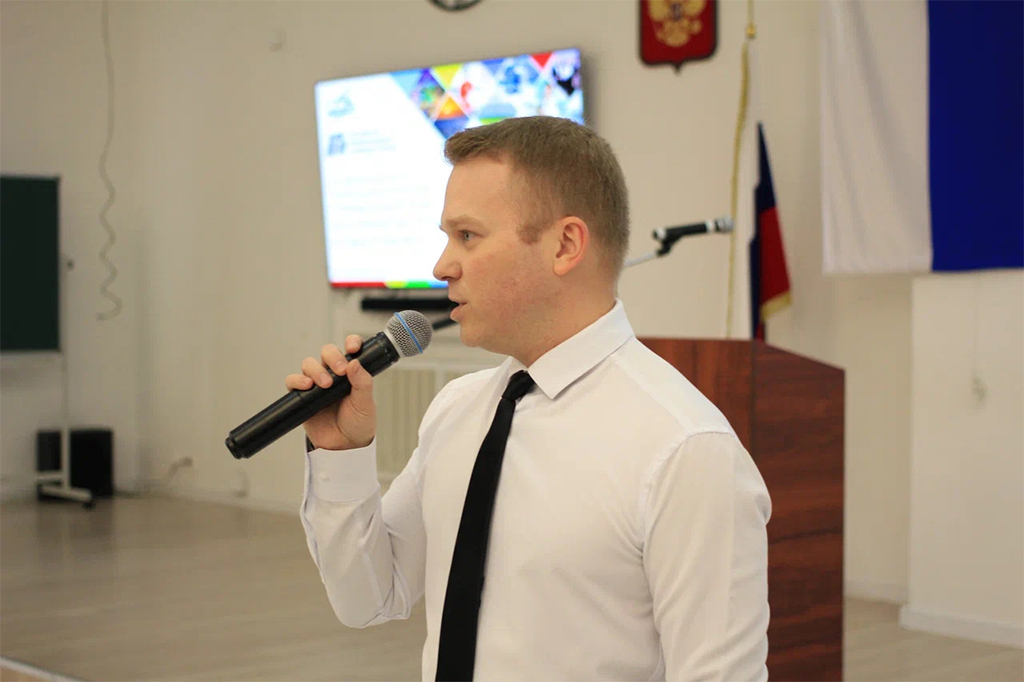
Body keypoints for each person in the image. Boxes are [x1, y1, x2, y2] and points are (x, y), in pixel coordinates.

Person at [290, 116, 772, 681]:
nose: (441, 266)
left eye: (467, 236)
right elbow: (368, 598)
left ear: (565, 245)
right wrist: (342, 456)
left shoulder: (685, 450)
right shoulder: (458, 408)